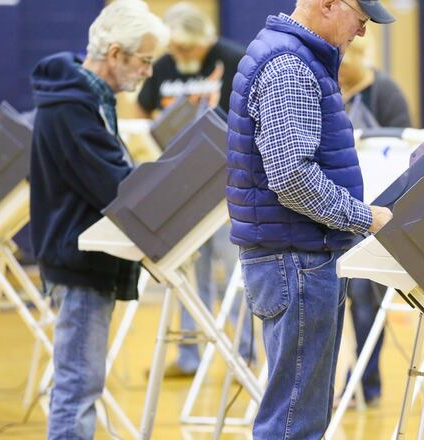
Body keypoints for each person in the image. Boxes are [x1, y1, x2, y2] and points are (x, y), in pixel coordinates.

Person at [226, 0, 395, 438]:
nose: (361, 34)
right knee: (293, 423)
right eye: (360, 20)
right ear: (328, 5)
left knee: (298, 414)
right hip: (297, 260)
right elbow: (292, 177)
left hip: (293, 257)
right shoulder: (290, 65)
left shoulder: (290, 55)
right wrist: (365, 217)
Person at [29, 1, 168, 438]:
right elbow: (112, 185)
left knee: (81, 382)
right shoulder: (72, 105)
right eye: (144, 61)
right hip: (78, 259)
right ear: (114, 53)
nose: (147, 73)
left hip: (81, 256)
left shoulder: (86, 96)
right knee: (78, 385)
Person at [136, 1, 251, 379]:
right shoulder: (163, 65)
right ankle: (190, 357)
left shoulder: (234, 59)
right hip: (182, 188)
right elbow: (142, 113)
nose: (182, 56)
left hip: (227, 188)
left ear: (207, 40)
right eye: (176, 49)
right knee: (188, 276)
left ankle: (244, 356)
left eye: (189, 49)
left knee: (234, 273)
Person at [338, 35, 412, 407]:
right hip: (340, 212)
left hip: (376, 213)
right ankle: (357, 381)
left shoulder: (387, 92)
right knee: (349, 302)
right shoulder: (331, 90)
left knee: (367, 302)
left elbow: (402, 156)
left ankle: (367, 381)